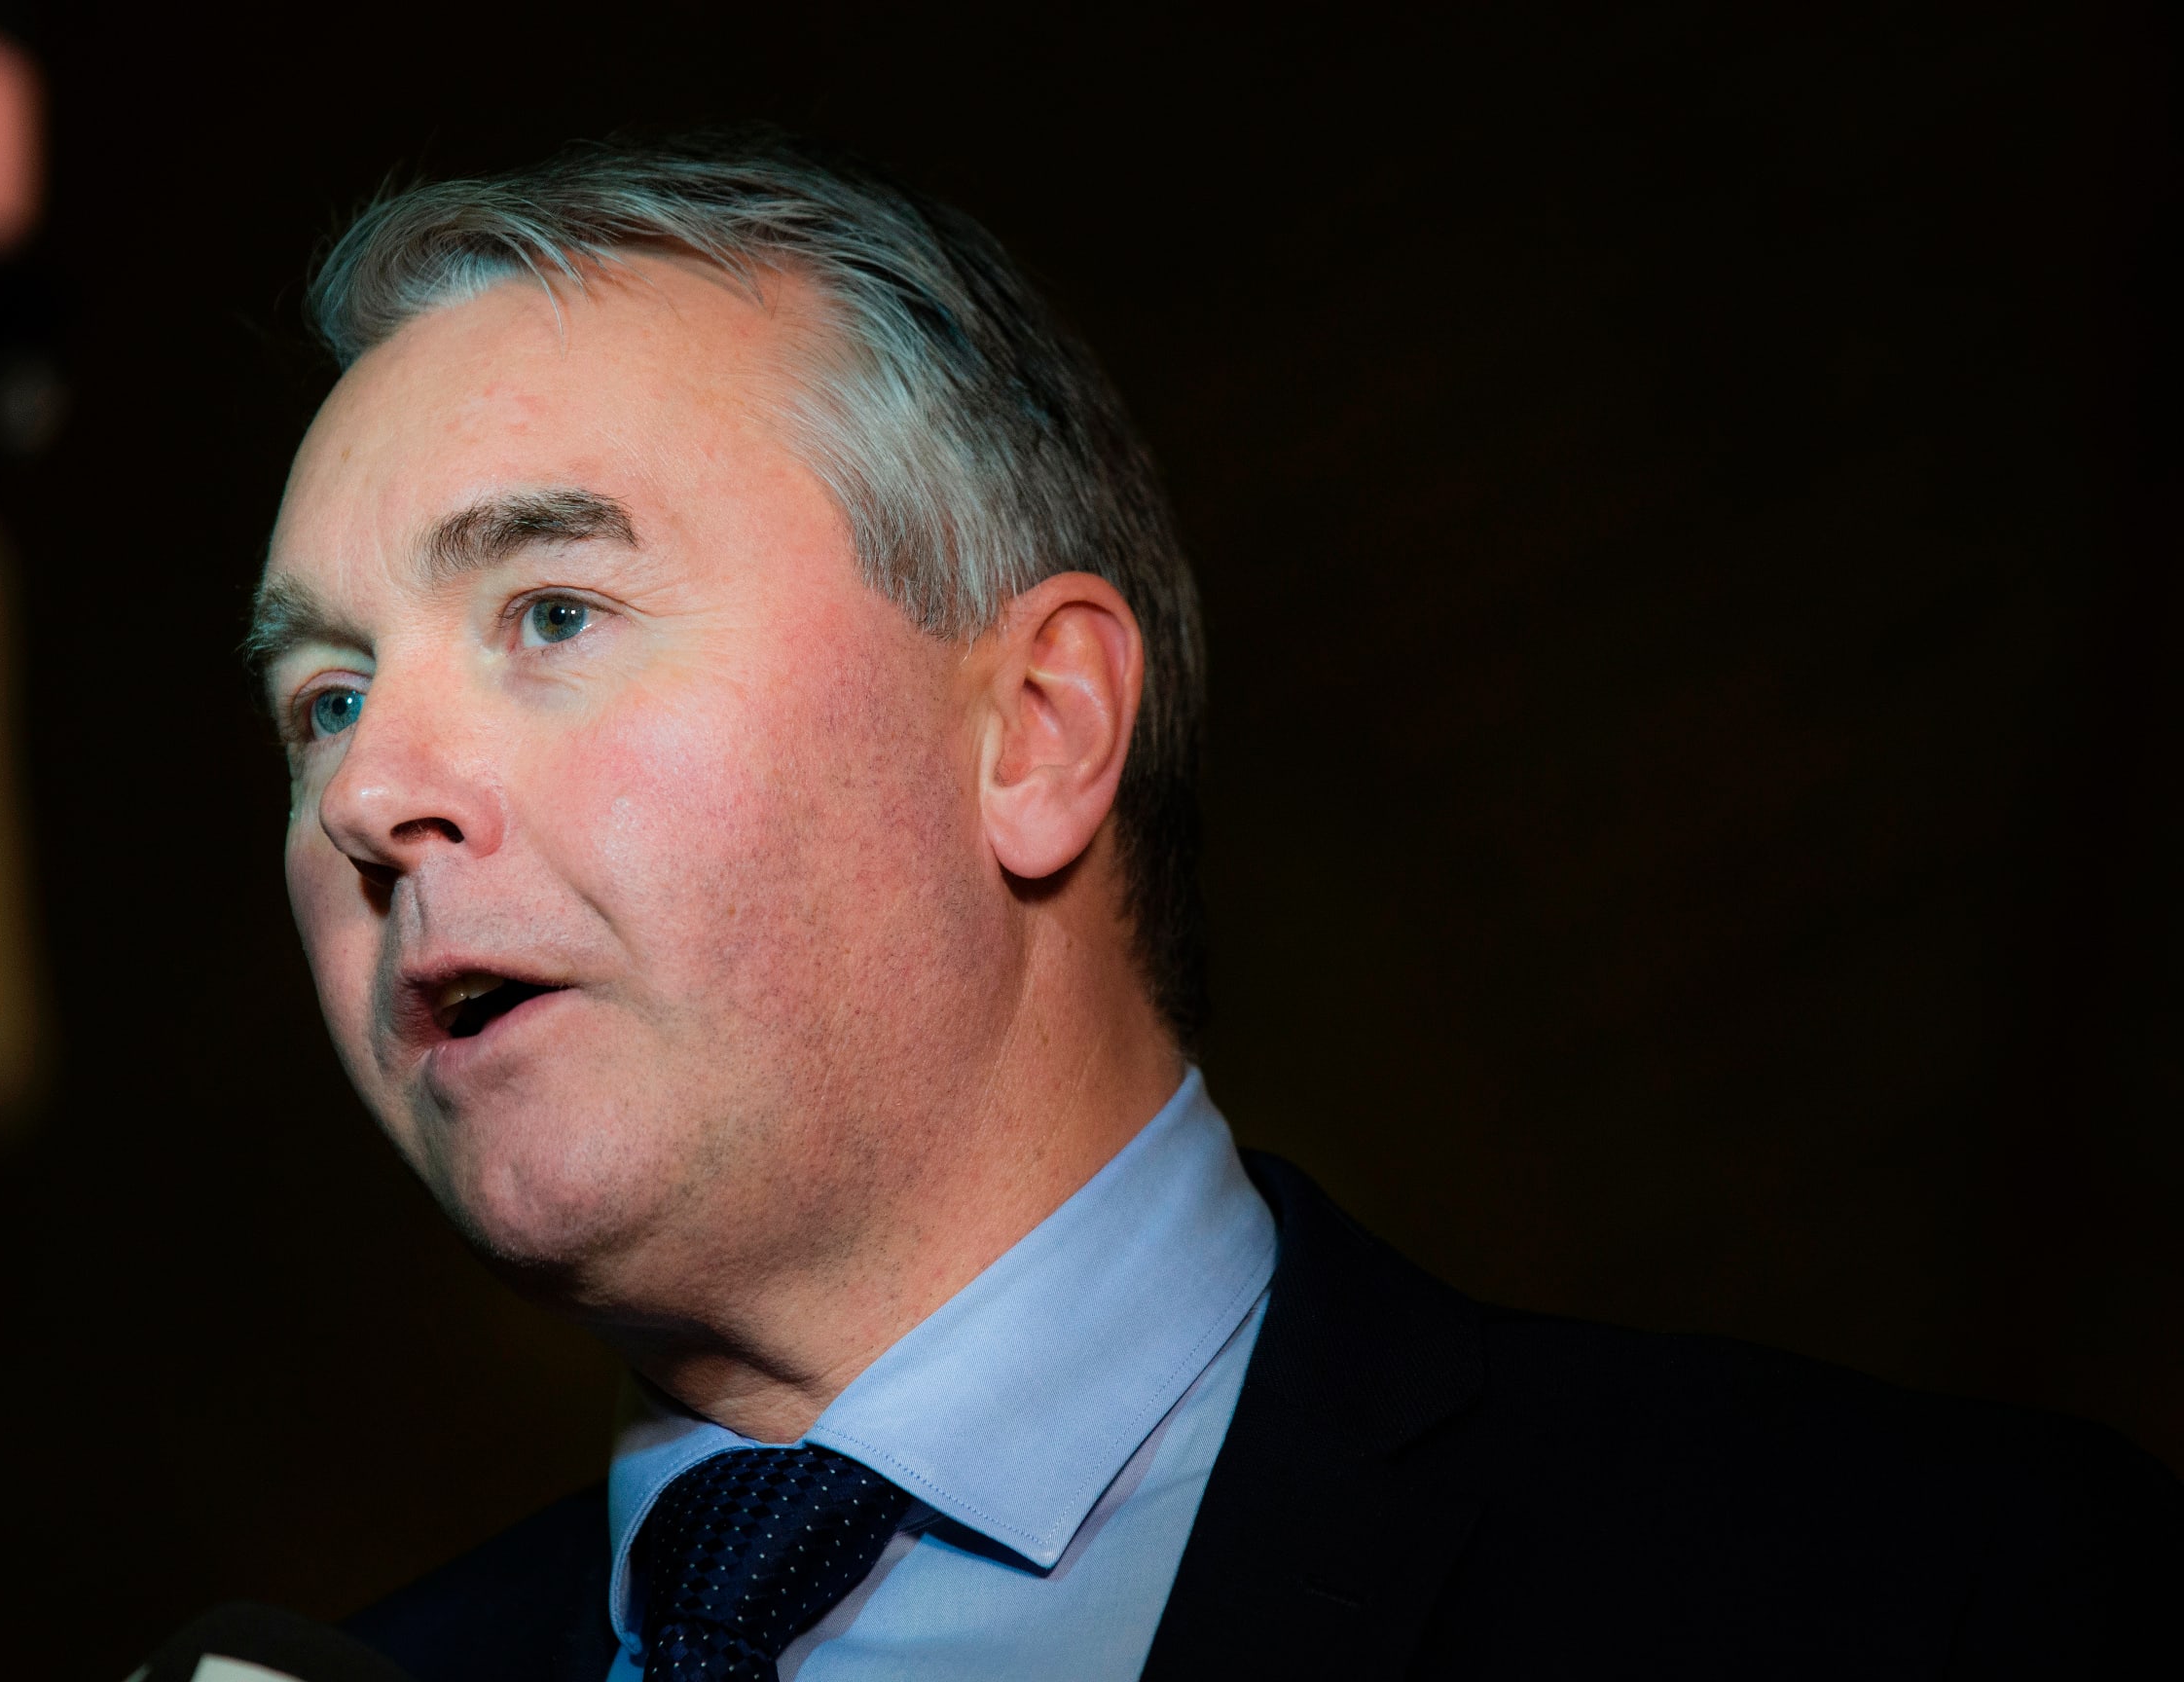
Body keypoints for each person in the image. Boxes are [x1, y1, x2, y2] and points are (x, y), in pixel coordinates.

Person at [236, 131, 2179, 1680]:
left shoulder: (1903, 1591)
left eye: (552, 613)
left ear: (1038, 732)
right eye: (323, 701)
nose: (370, 795)